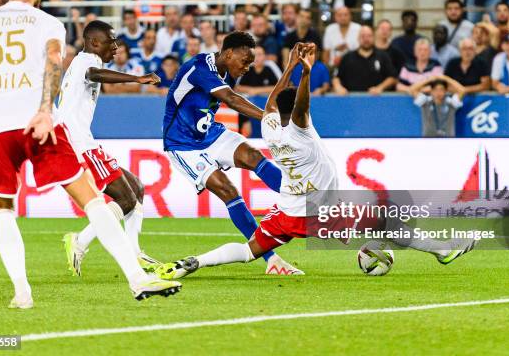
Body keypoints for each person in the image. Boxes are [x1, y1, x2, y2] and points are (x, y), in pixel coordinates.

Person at [0, 0, 180, 308]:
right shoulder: (48, 22)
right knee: (92, 199)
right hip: (39, 124)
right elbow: (55, 61)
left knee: (3, 209)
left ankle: (22, 292)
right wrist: (43, 110)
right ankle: (136, 278)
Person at [154, 43, 476, 281]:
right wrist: (305, 72)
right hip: (320, 211)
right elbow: (298, 105)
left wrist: (291, 67)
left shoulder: (269, 128)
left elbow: (273, 103)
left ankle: (195, 261)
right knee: (387, 221)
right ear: (300, 112)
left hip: (288, 213)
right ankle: (443, 250)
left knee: (251, 249)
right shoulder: (301, 132)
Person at [161, 30, 302, 275]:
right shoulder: (199, 67)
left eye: (251, 63)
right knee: (228, 190)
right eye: (245, 61)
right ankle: (270, 258)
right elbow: (232, 99)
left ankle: (299, 199)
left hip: (211, 134)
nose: (248, 67)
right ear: (228, 53)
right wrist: (271, 119)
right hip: (183, 144)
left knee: (255, 157)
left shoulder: (227, 70)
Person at [58, 21, 163, 276]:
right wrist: (137, 79)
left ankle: (135, 253)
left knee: (136, 188)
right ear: (95, 43)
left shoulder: (86, 60)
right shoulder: (86, 61)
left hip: (84, 141)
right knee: (125, 198)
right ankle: (80, 241)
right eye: (111, 41)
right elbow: (95, 75)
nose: (116, 47)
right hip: (79, 144)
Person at [333, 26, 397, 94]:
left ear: (374, 38)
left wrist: (380, 88)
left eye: (369, 36)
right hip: (352, 101)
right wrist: (338, 87)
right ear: (358, 38)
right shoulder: (347, 57)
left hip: (377, 100)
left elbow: (393, 78)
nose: (366, 39)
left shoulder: (383, 56)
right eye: (363, 36)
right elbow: (336, 77)